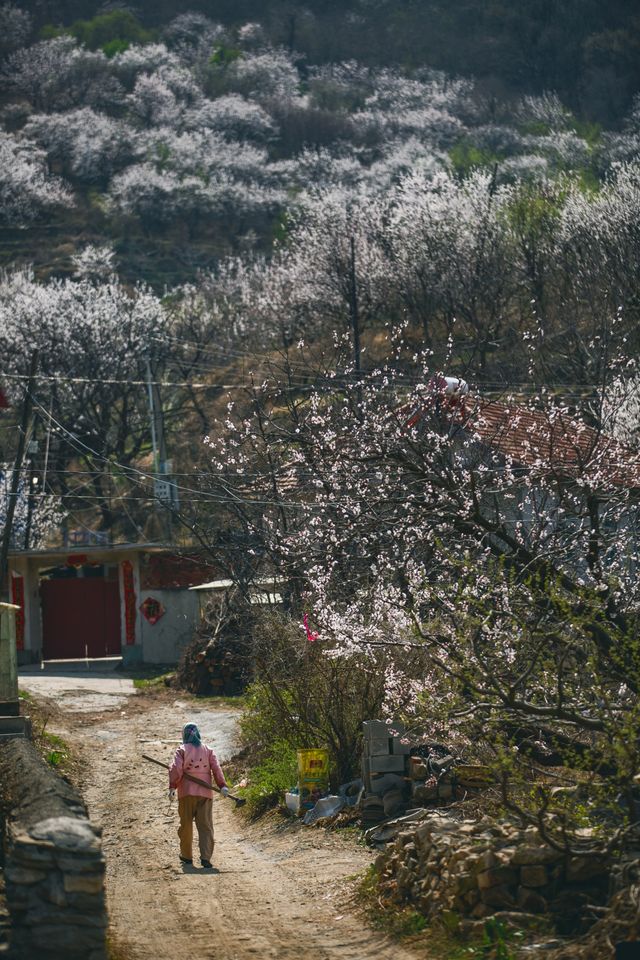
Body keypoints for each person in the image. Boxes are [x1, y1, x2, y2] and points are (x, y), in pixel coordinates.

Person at [168, 721, 229, 869]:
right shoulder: (208, 750)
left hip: (186, 793)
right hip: (205, 793)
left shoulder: (181, 750)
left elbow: (176, 769)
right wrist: (222, 785)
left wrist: (172, 787)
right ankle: (206, 858)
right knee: (206, 825)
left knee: (186, 825)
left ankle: (187, 857)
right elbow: (216, 768)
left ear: (184, 735)